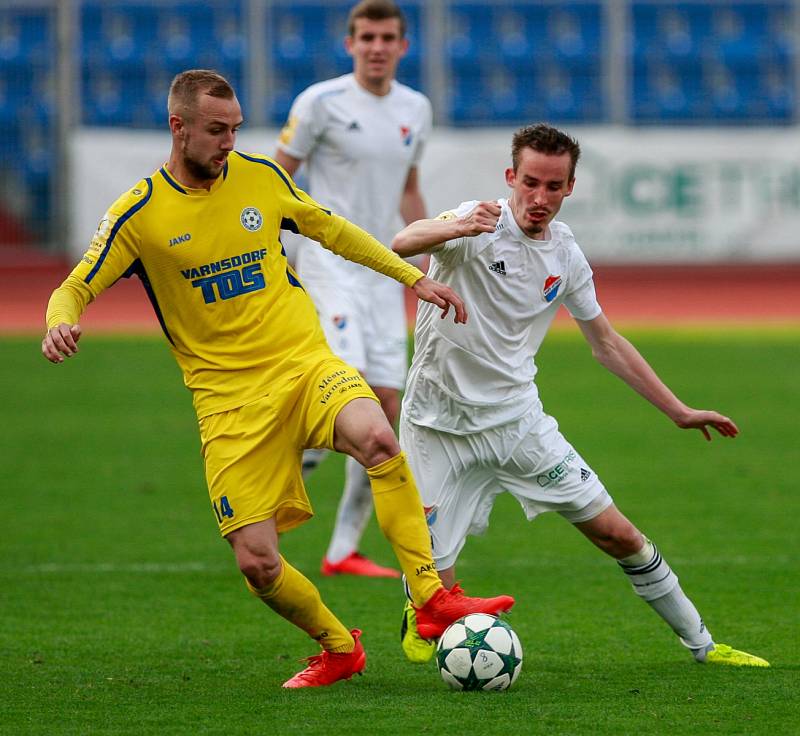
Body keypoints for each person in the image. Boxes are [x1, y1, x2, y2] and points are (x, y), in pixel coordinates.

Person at [41, 69, 514, 689]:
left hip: (303, 363)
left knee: (378, 437)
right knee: (258, 564)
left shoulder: (261, 178)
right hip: (228, 403)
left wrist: (412, 277)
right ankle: (341, 648)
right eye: (215, 131)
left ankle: (429, 599)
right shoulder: (140, 213)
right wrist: (59, 321)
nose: (228, 142)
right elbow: (77, 284)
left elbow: (332, 230)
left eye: (235, 129)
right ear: (177, 127)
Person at [392, 123, 769, 668]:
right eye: (530, 183)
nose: (539, 198)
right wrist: (448, 230)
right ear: (510, 178)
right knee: (433, 578)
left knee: (619, 535)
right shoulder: (474, 221)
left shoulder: (565, 256)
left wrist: (679, 410)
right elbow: (403, 243)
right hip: (436, 427)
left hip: (518, 424)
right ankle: (422, 608)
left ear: (570, 186)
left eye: (553, 186)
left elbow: (607, 344)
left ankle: (705, 646)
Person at [273, 0, 430, 579]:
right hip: (327, 261)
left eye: (388, 37)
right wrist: (274, 247)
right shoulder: (320, 103)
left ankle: (342, 549)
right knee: (351, 391)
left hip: (382, 267)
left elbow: (409, 190)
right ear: (350, 43)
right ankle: (264, 495)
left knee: (388, 409)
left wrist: (431, 254)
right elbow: (278, 176)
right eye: (367, 37)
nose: (377, 46)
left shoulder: (417, 108)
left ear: (402, 45)